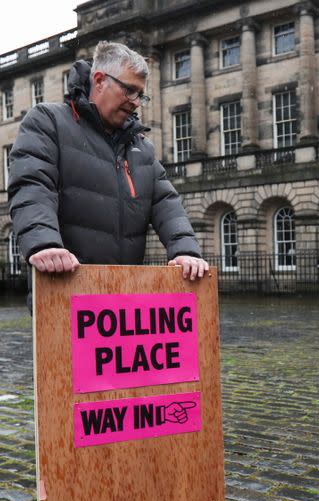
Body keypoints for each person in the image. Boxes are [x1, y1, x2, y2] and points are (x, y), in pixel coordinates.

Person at [8, 41, 207, 304]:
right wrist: (45, 244)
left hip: (123, 301)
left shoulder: (141, 147)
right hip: (64, 292)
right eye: (130, 91)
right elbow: (32, 184)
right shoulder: (48, 121)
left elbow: (166, 203)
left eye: (141, 95)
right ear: (100, 80)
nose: (136, 103)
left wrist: (184, 250)